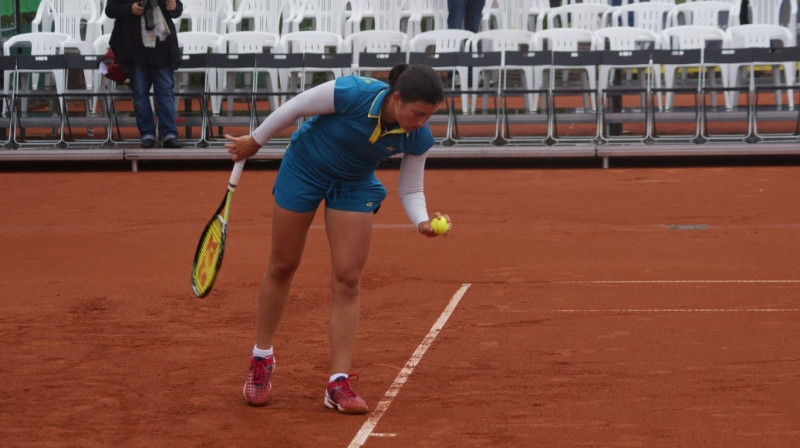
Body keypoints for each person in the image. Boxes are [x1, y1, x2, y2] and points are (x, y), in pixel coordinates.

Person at [224, 64, 451, 414]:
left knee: (348, 278)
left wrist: (422, 222)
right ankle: (262, 358)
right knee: (283, 265)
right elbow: (296, 106)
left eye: (429, 116)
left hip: (354, 184)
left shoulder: (417, 137)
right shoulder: (352, 92)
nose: (422, 123)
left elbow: (410, 188)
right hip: (304, 169)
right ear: (397, 98)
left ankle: (337, 382)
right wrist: (256, 140)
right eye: (418, 114)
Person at [105, 0, 183, 149]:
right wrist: (130, 9)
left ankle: (170, 135)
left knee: (165, 91)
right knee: (140, 93)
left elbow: (177, 8)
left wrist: (174, 7)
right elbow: (110, 10)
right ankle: (147, 134)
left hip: (162, 46)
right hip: (134, 47)